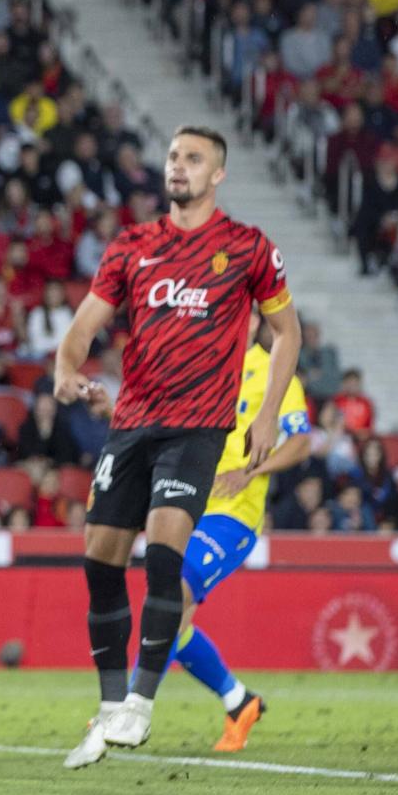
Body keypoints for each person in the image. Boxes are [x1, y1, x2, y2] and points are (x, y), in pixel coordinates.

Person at [56, 125, 298, 769]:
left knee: (164, 557)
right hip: (132, 424)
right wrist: (65, 367)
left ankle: (141, 703)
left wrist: (269, 414)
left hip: (198, 428)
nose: (179, 166)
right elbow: (84, 326)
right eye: (173, 156)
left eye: (193, 158)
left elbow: (288, 332)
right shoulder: (132, 245)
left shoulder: (247, 248)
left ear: (217, 174)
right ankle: (110, 709)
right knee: (100, 564)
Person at [127, 310, 309, 753]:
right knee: (175, 618)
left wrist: (253, 470)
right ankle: (238, 700)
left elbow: (301, 441)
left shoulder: (274, 372)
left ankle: (126, 705)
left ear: (254, 324)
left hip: (234, 513)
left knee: (175, 596)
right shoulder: (202, 370)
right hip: (186, 506)